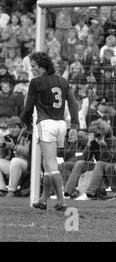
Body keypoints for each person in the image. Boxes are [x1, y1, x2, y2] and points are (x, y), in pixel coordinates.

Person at [20, 52, 78, 211]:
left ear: (42, 66)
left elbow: (27, 110)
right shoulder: (62, 81)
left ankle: (61, 201)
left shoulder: (36, 82)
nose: (32, 70)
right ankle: (43, 199)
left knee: (51, 164)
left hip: (46, 124)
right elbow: (73, 104)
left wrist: (27, 125)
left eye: (33, 66)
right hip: (60, 124)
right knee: (47, 163)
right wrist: (74, 125)